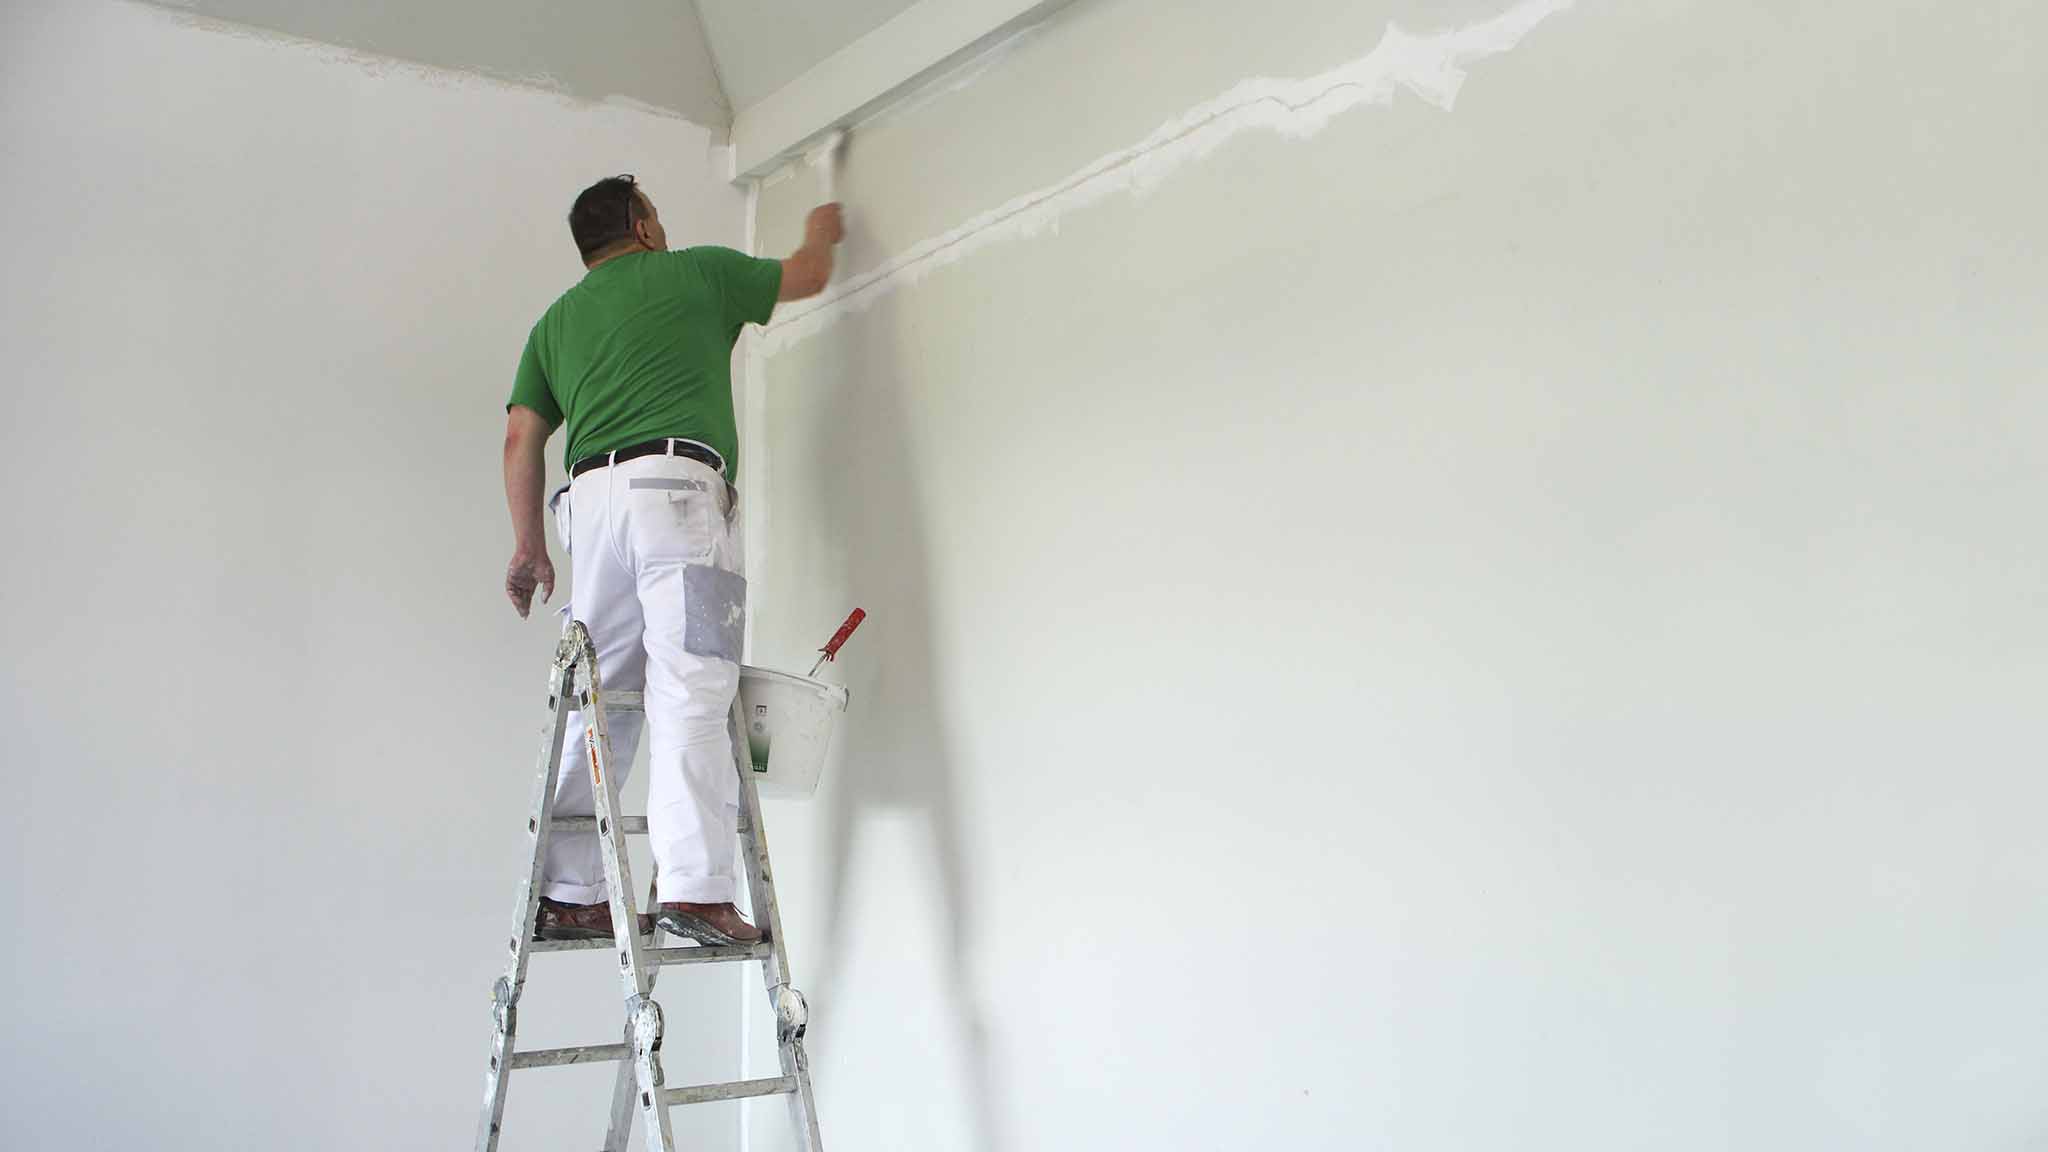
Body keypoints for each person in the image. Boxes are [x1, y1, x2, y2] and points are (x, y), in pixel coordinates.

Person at [501, 174, 842, 945]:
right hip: (676, 495)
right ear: (642, 226)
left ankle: (566, 892)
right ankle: (695, 890)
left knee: (603, 697)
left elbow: (521, 438)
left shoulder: (555, 323)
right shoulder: (698, 272)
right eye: (656, 212)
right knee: (693, 685)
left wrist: (528, 547)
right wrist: (823, 226)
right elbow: (809, 275)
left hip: (589, 508)